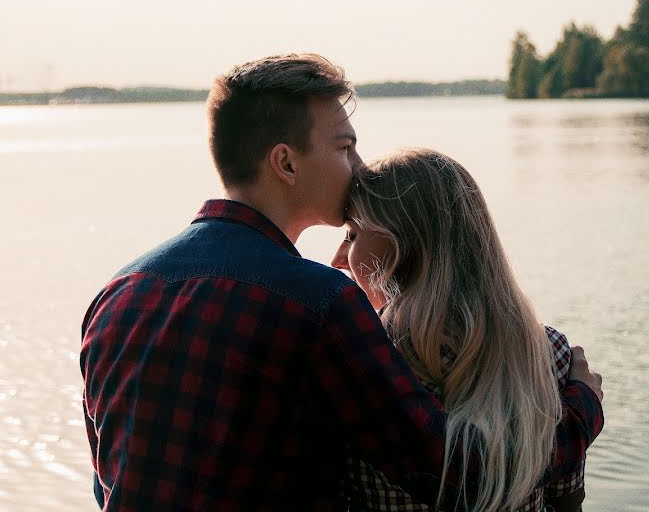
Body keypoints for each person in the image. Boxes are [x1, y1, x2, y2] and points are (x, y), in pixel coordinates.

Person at [80, 54, 604, 510]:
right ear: (284, 162)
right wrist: (581, 407)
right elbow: (456, 477)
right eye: (344, 147)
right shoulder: (318, 302)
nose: (358, 168)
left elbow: (111, 483)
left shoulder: (116, 295)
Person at [332, 148, 602, 512]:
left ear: (400, 246)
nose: (337, 259)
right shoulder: (550, 352)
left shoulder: (362, 365)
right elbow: (567, 501)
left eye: (351, 235)